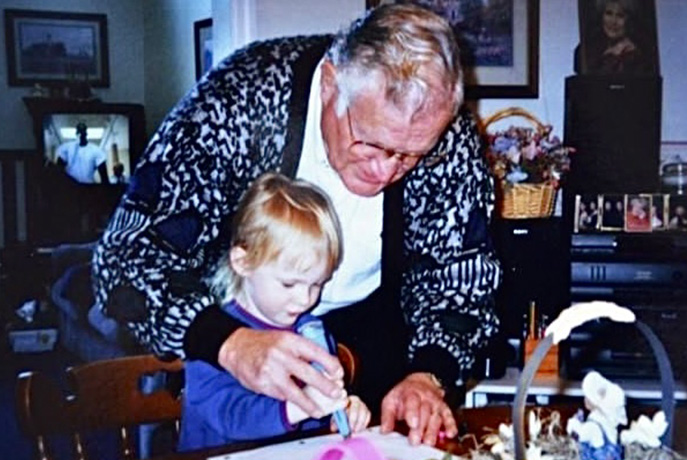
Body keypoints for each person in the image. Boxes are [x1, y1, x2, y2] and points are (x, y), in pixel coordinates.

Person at [93, 3, 501, 445]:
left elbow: (461, 280)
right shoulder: (244, 94)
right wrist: (230, 343)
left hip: (369, 338)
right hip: (231, 329)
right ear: (329, 84)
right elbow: (126, 256)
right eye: (370, 143)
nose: (386, 172)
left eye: (410, 155)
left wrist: (429, 374)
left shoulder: (444, 134)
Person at [178, 173, 370, 451]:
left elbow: (317, 419)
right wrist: (297, 408)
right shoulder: (212, 338)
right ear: (243, 262)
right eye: (289, 283)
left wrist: (344, 408)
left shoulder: (312, 332)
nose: (305, 299)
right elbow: (228, 416)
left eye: (317, 284)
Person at [583, 0, 656, 75]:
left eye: (620, 15)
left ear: (629, 20)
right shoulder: (593, 49)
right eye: (609, 13)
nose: (613, 21)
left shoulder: (633, 57)